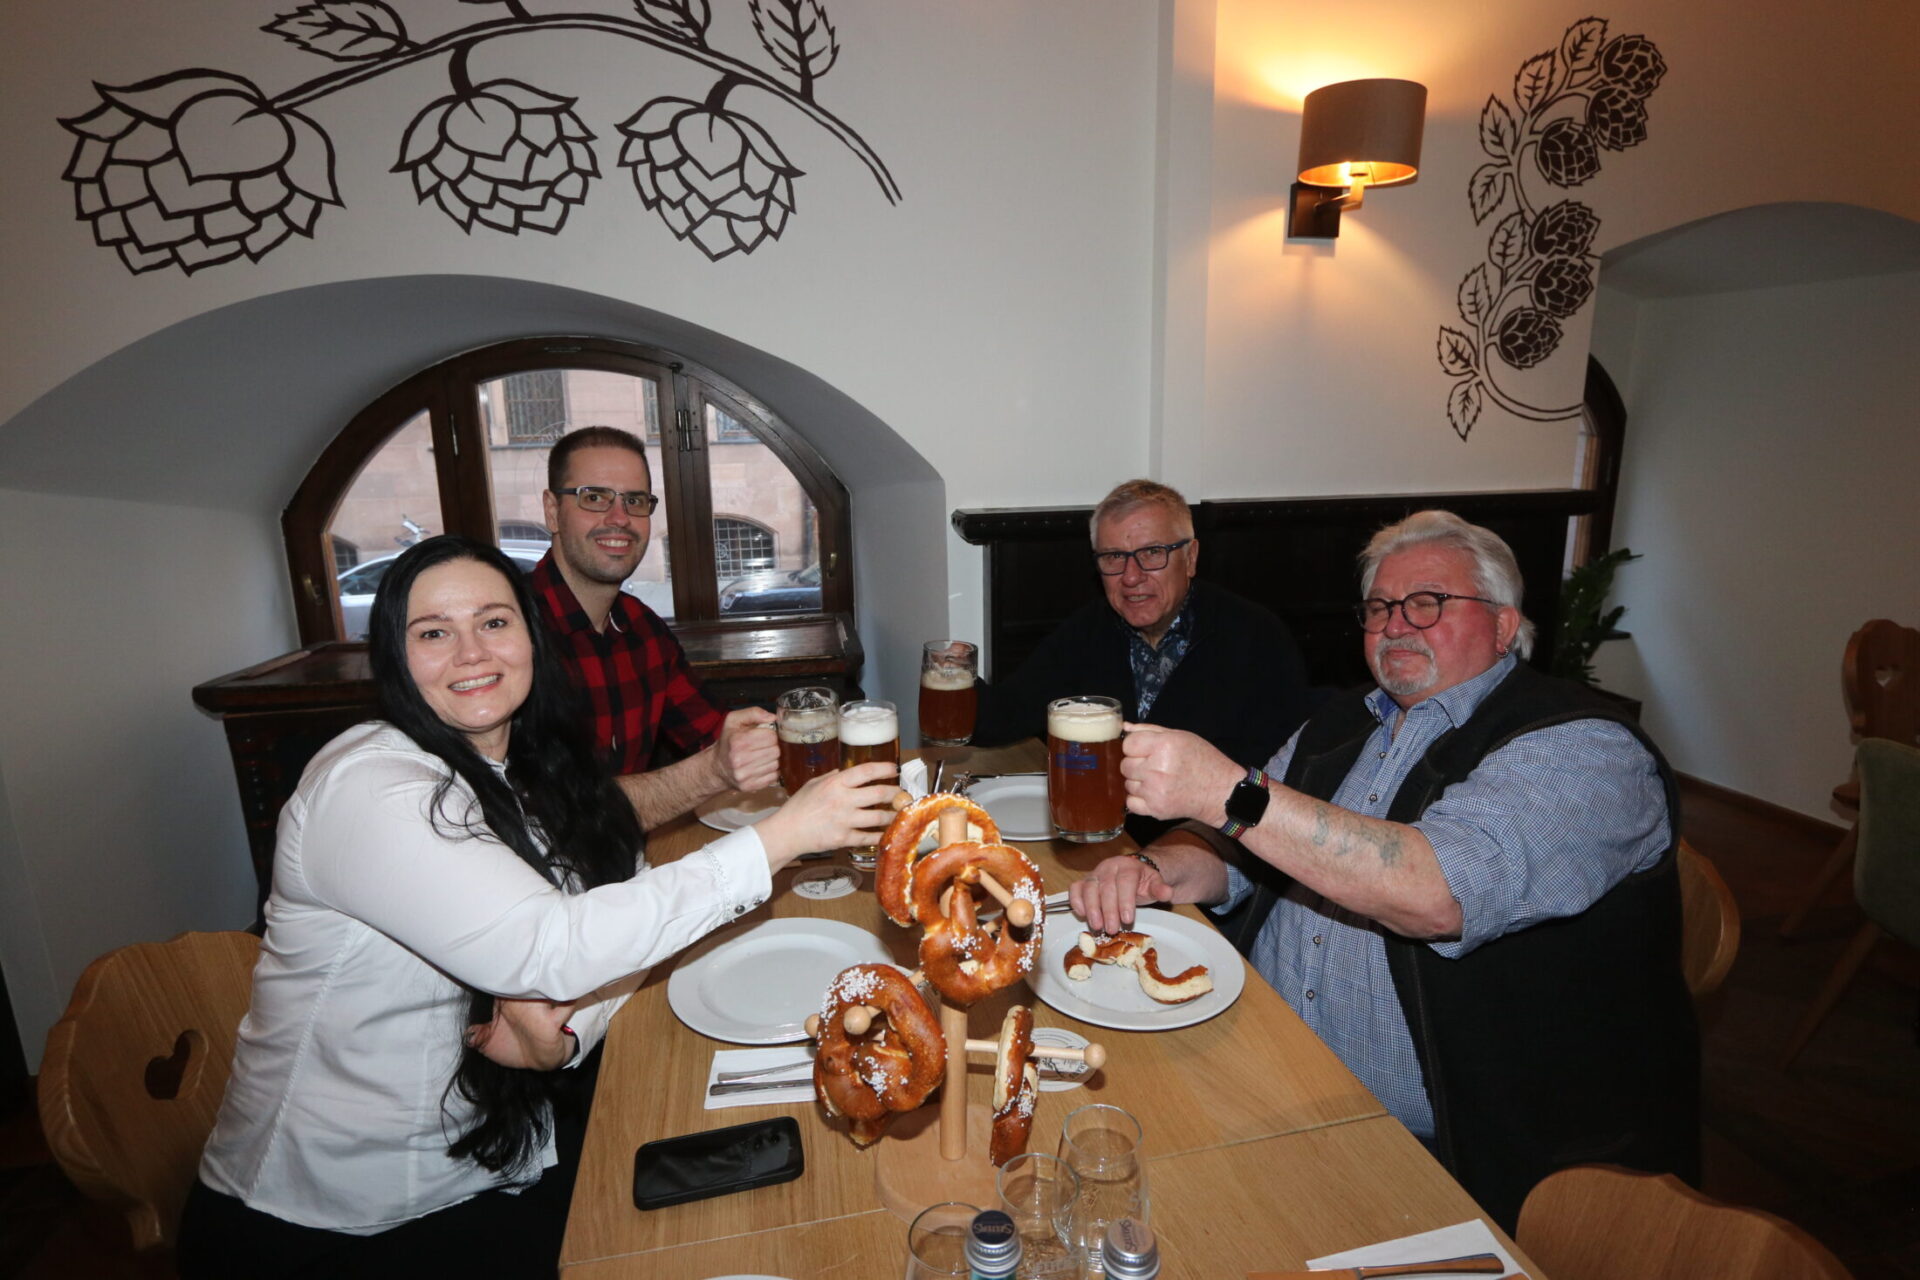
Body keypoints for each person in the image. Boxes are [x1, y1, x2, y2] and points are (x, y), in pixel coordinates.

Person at [178, 536, 895, 1278]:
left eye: (494, 622)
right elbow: (554, 947)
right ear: (393, 657)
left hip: (499, 1153)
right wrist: (784, 835)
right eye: (433, 633)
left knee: (771, 1200)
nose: (471, 653)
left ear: (530, 637)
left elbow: (617, 904)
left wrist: (569, 1034)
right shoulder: (369, 787)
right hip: (336, 1220)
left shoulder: (522, 760)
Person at [1069, 510, 1697, 1229]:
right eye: (1379, 607)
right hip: (1262, 1057)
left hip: (1447, 1153)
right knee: (1090, 1161)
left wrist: (1226, 792)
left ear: (1504, 624)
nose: (1397, 624)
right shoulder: (1341, 722)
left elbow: (1437, 893)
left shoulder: (1584, 751)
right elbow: (1244, 846)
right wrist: (1160, 866)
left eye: (1427, 602)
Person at [972, 479, 1317, 843]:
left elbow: (1279, 782)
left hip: (1214, 851)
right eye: (1113, 557)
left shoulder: (1255, 637)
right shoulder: (1088, 630)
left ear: (1190, 558)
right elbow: (1005, 715)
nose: (1131, 577)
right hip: (1105, 841)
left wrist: (1181, 851)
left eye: (1152, 553)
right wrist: (950, 675)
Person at [531, 425, 779, 827]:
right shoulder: (508, 635)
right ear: (552, 510)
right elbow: (548, 813)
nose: (619, 518)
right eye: (594, 497)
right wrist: (713, 771)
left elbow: (713, 736)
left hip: (633, 858)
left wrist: (793, 729)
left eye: (634, 500)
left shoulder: (643, 629)